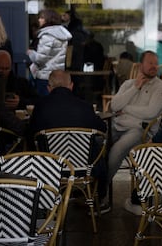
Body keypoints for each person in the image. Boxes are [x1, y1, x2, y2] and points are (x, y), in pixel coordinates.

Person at [29, 70, 108, 208]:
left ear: (49, 88)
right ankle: (99, 199)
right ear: (71, 86)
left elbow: (30, 134)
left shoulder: (40, 107)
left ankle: (44, 202)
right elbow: (102, 128)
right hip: (84, 167)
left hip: (50, 167)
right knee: (99, 146)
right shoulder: (84, 106)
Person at [107, 50, 162, 213]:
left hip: (141, 133)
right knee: (97, 145)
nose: (154, 66)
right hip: (116, 127)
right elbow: (114, 106)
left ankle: (102, 193)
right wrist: (135, 87)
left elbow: (150, 113)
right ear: (141, 65)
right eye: (150, 63)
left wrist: (125, 109)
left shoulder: (160, 86)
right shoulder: (129, 84)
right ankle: (90, 188)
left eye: (155, 63)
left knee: (116, 150)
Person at [27, 9, 72, 96]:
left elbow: (40, 59)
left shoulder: (47, 35)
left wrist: (31, 53)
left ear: (48, 19)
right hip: (58, 76)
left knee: (44, 104)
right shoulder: (61, 34)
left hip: (45, 77)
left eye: (42, 18)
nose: (39, 20)